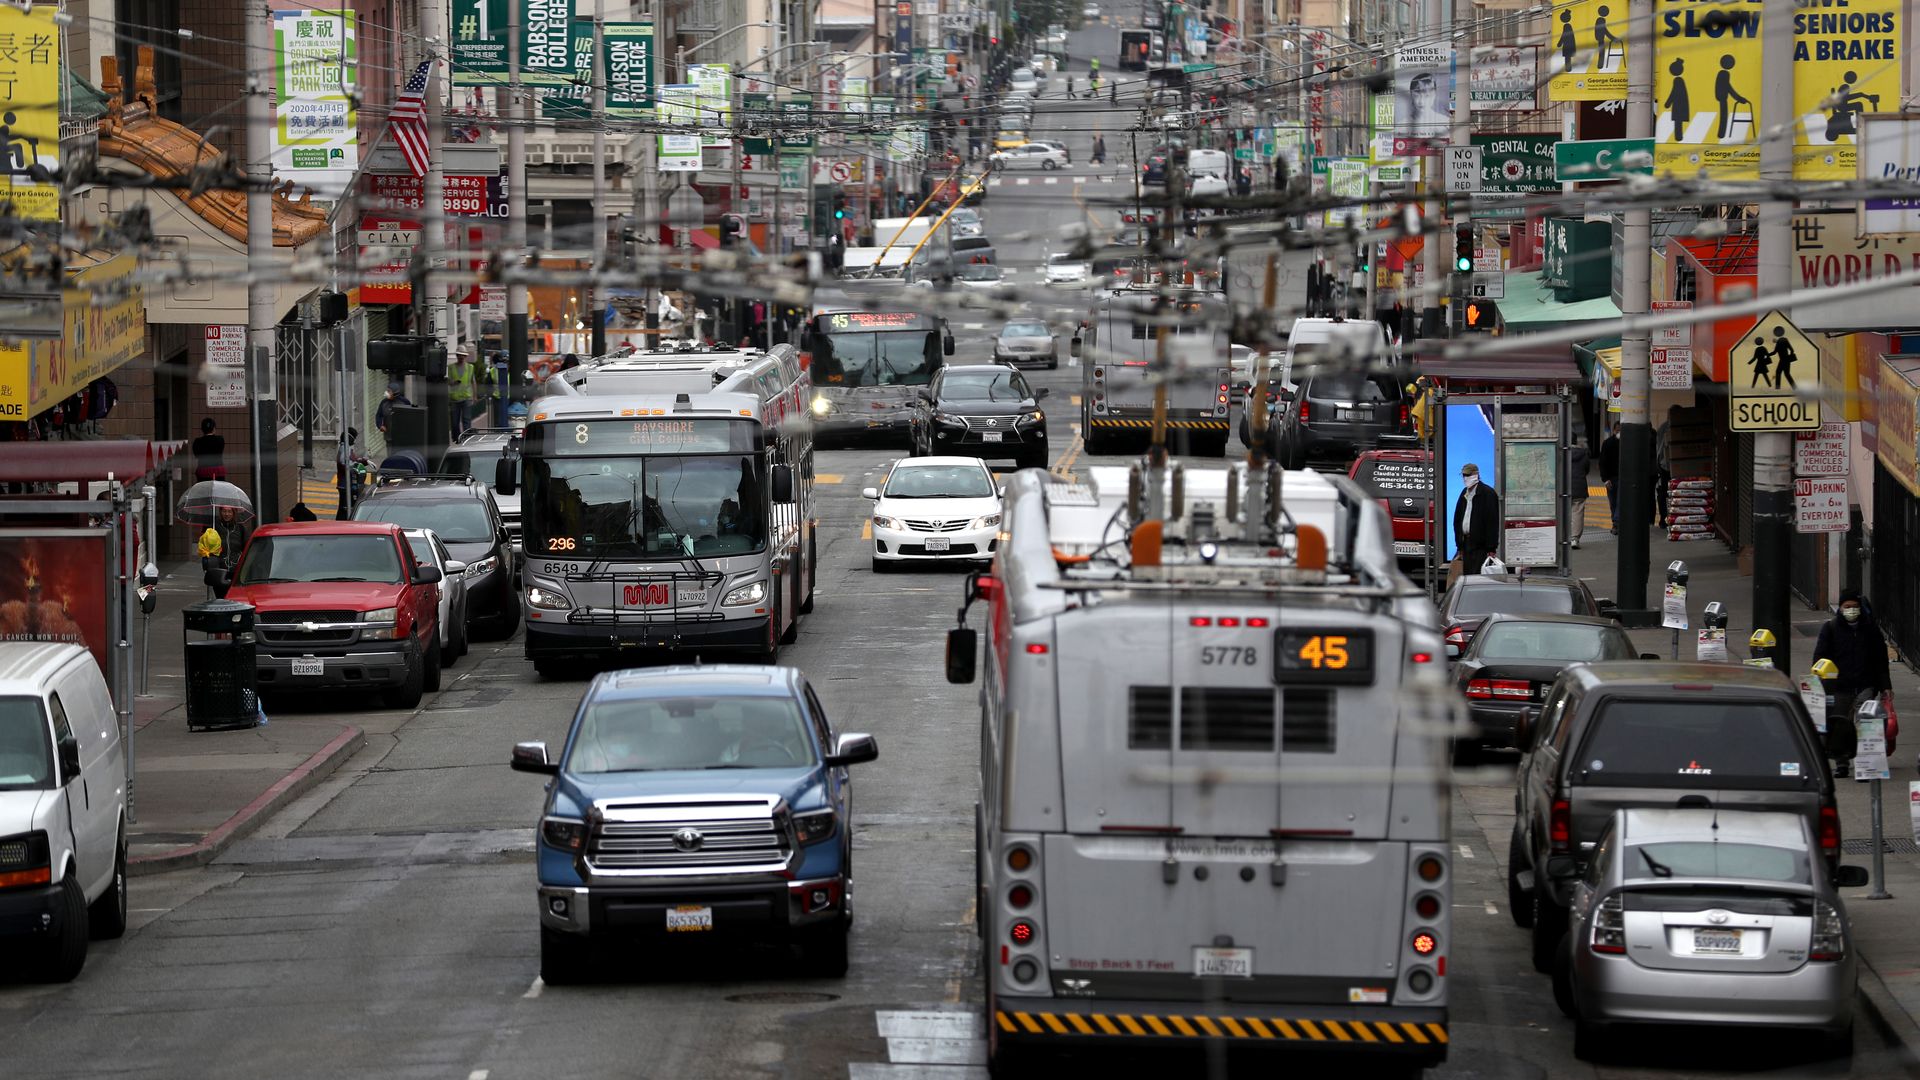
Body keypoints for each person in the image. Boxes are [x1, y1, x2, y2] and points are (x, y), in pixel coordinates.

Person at [1812, 589, 1893, 777]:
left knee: (1866, 722)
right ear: (1840, 608)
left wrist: (1885, 686)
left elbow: (1880, 660)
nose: (1851, 610)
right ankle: (1842, 763)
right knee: (1840, 725)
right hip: (1840, 686)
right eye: (1847, 606)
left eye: (1855, 606)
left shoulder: (1871, 629)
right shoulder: (1830, 628)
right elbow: (1820, 657)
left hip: (1865, 684)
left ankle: (1867, 763)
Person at [1453, 464, 1501, 577]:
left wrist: (1491, 547)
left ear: (1476, 475)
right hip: (1465, 543)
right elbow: (1457, 519)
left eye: (1468, 475)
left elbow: (1492, 522)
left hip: (1481, 546)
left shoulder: (1487, 493)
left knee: (1477, 576)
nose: (1466, 478)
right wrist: (1459, 545)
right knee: (1467, 575)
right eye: (1464, 475)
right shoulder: (1464, 493)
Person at [1568, 440, 1591, 549]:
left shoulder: (1561, 452)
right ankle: (1574, 538)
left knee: (1562, 512)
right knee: (1577, 512)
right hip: (1579, 486)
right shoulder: (1583, 454)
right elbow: (1587, 469)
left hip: (1563, 487)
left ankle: (1562, 537)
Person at [1598, 422, 1620, 534]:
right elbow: (1602, 462)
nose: (1619, 432)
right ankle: (1616, 523)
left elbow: (1602, 462)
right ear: (1614, 430)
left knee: (1615, 502)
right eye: (1618, 430)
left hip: (1612, 478)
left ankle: (1616, 523)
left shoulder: (1607, 443)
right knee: (1616, 502)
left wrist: (1605, 479)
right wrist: (1605, 479)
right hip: (1615, 478)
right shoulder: (1609, 443)